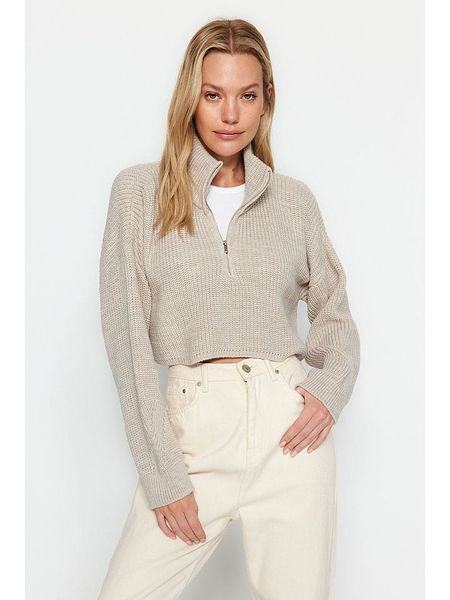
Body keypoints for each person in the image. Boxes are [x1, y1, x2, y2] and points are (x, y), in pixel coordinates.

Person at [97, 17, 360, 600]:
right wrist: (163, 475)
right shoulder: (138, 193)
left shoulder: (293, 201)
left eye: (247, 95)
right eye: (213, 95)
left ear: (267, 100)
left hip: (289, 440)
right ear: (190, 97)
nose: (231, 114)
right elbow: (126, 339)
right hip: (192, 434)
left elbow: (335, 312)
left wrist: (328, 389)